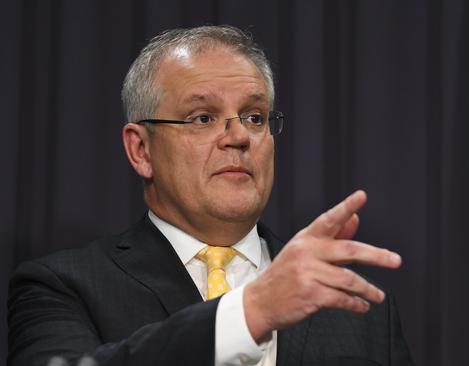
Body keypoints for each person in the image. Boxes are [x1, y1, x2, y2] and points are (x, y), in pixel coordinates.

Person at [8, 25, 413, 366]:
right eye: (202, 118)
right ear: (141, 150)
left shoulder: (356, 305)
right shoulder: (62, 286)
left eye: (254, 117)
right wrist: (249, 313)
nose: (238, 136)